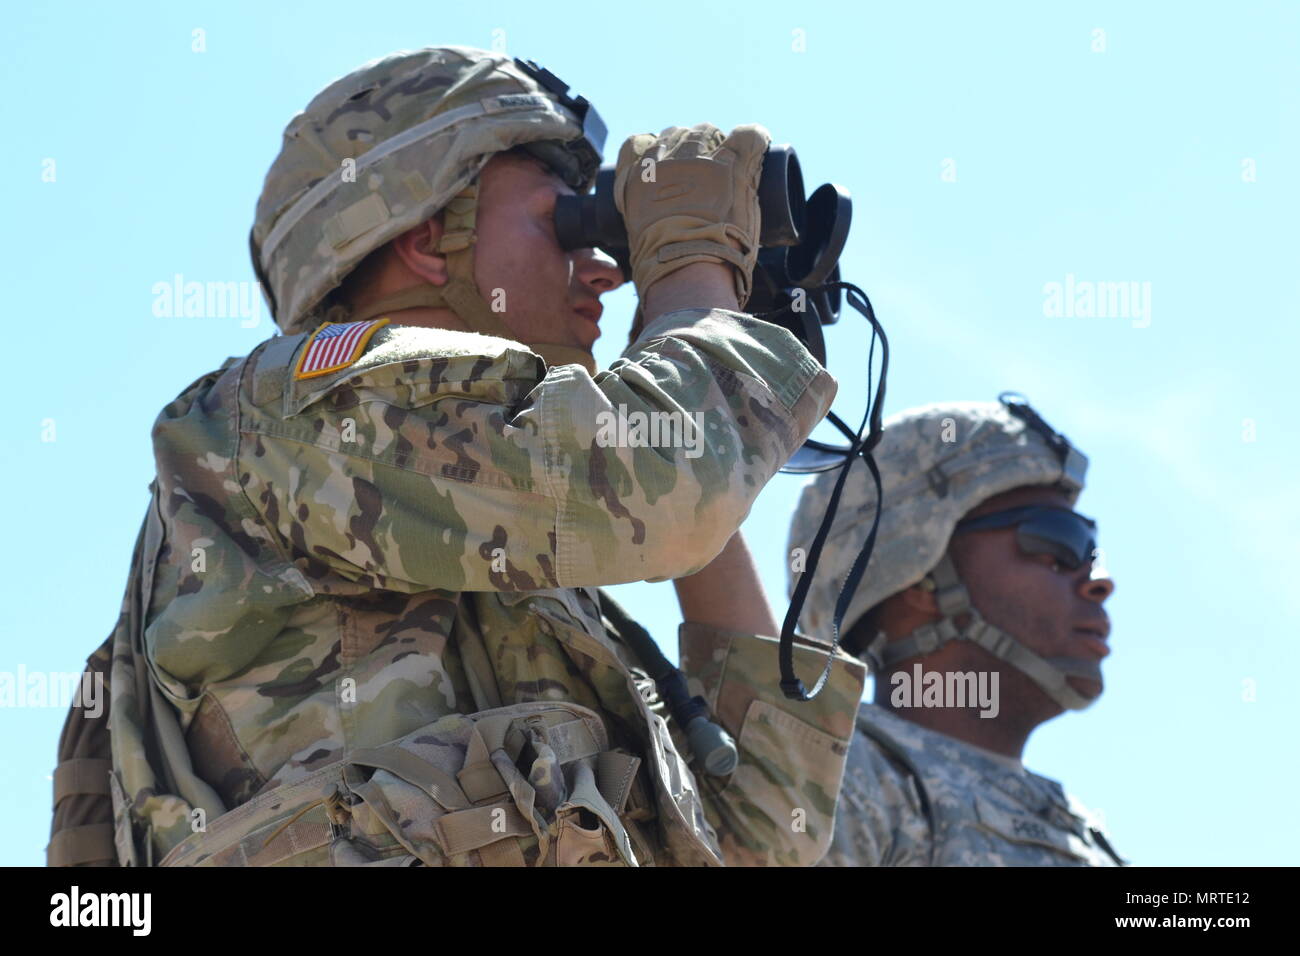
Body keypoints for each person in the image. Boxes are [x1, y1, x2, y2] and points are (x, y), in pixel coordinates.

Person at [47, 47, 865, 868]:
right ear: (430, 236)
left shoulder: (542, 586)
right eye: (569, 222)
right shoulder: (281, 414)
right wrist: (693, 280)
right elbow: (670, 495)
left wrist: (692, 321)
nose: (607, 272)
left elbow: (769, 831)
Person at [787, 395, 1126, 866]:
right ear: (920, 578)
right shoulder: (830, 788)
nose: (1099, 581)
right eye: (1058, 540)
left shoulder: (1085, 837)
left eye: (1092, 550)